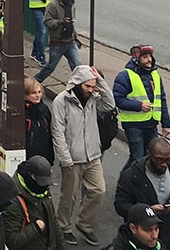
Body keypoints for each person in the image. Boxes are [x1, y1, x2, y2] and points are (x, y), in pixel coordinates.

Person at [50, 65, 115, 246]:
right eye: (88, 86)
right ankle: (64, 226)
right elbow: (58, 132)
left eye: (93, 86)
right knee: (68, 196)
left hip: (93, 155)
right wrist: (65, 159)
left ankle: (84, 224)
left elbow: (110, 104)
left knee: (98, 190)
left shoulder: (94, 99)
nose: (91, 90)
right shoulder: (60, 101)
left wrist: (99, 81)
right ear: (77, 84)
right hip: (72, 159)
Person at [114, 138, 170, 250]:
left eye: (168, 160)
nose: (164, 164)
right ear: (149, 154)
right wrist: (148, 212)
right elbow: (120, 205)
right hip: (141, 242)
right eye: (159, 160)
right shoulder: (131, 176)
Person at [113, 44, 170, 169]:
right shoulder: (125, 76)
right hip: (134, 125)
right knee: (137, 158)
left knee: (151, 157)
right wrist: (139, 106)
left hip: (151, 124)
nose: (149, 59)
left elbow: (162, 99)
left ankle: (141, 183)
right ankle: (125, 183)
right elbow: (117, 99)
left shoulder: (155, 74)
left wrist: (166, 124)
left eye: (150, 56)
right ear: (136, 59)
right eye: (145, 57)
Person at [2, 156, 65, 250]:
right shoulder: (13, 201)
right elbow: (12, 241)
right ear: (31, 177)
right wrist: (35, 227)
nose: (45, 187)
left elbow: (53, 221)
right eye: (42, 183)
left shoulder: (43, 189)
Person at [34, 0, 81, 84]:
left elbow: (72, 21)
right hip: (57, 42)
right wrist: (60, 22)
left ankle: (79, 85)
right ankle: (36, 80)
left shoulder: (71, 4)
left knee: (77, 65)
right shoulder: (53, 5)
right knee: (51, 66)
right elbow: (47, 22)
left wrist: (74, 33)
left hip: (70, 41)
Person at [23, 0, 57, 66]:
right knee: (42, 31)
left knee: (39, 31)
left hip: (49, 7)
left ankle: (34, 52)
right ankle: (41, 57)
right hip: (36, 7)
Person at [24, 78, 54, 164]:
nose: (38, 95)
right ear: (25, 95)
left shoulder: (44, 109)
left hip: (44, 158)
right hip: (28, 158)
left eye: (39, 92)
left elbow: (49, 134)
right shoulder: (22, 112)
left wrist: (50, 158)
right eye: (33, 93)